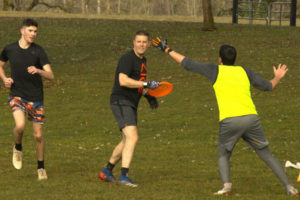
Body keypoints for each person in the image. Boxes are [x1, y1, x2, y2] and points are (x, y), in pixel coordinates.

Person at [151, 38, 299, 196]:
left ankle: (226, 186)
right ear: (234, 58)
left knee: (223, 154)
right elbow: (268, 86)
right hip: (251, 119)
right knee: (266, 154)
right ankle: (289, 187)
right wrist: (277, 77)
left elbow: (187, 63)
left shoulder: (214, 70)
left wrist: (167, 50)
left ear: (220, 59)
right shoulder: (244, 71)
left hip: (230, 121)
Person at [98, 30, 160, 187]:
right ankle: (124, 176)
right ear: (133, 42)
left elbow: (137, 82)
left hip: (131, 103)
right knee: (133, 137)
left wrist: (148, 95)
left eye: (144, 42)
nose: (142, 44)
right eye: (139, 41)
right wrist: (146, 84)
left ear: (148, 44)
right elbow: (123, 80)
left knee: (127, 140)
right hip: (121, 101)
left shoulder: (143, 60)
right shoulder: (127, 58)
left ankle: (107, 170)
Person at [0, 18, 54, 180]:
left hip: (36, 98)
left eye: (35, 31)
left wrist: (38, 70)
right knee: (20, 125)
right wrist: (4, 79)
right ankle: (18, 147)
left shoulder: (38, 51)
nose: (33, 34)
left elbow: (51, 75)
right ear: (22, 31)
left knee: (38, 136)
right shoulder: (10, 49)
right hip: (17, 95)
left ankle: (41, 168)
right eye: (30, 31)